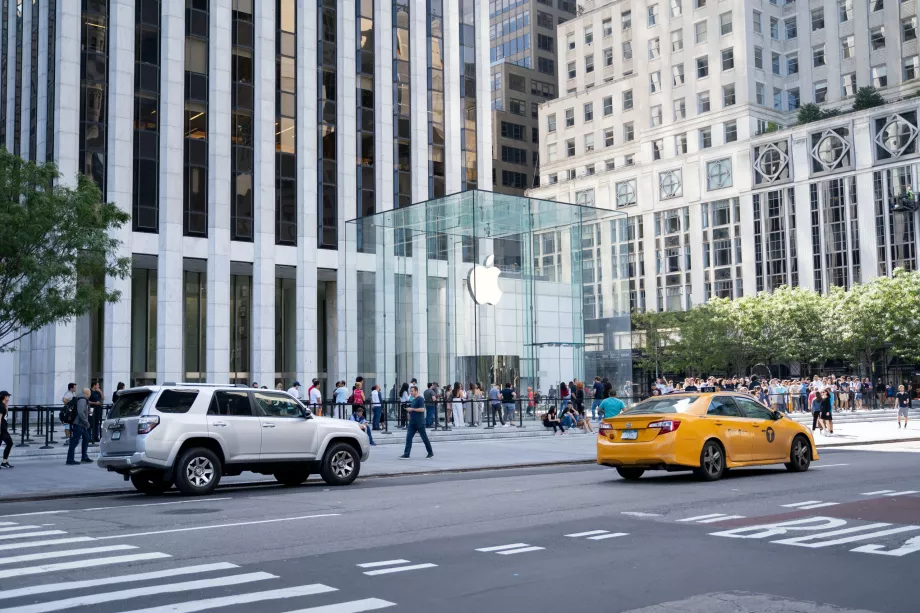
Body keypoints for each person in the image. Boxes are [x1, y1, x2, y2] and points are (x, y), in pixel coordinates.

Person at [400, 386, 433, 458]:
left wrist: (412, 409)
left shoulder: (420, 399)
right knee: (408, 438)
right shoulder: (413, 400)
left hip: (420, 422)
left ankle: (430, 452)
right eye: (410, 391)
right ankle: (406, 454)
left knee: (424, 438)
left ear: (416, 391)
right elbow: (412, 411)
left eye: (412, 391)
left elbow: (422, 409)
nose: (411, 392)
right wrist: (409, 413)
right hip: (412, 423)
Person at [67, 388, 93, 465]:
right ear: (87, 393)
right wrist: (87, 423)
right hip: (79, 423)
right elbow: (81, 412)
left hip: (81, 424)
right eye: (90, 392)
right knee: (74, 441)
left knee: (86, 437)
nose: (90, 393)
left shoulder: (83, 399)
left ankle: (84, 457)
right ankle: (70, 459)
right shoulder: (82, 399)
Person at [0, 391, 12, 468]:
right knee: (10, 443)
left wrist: (6, 405)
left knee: (9, 443)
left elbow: (5, 415)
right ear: (5, 397)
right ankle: (4, 461)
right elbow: (0, 418)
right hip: (2, 429)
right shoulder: (1, 406)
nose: (9, 397)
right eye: (8, 396)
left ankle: (4, 462)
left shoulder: (3, 405)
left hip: (3, 429)